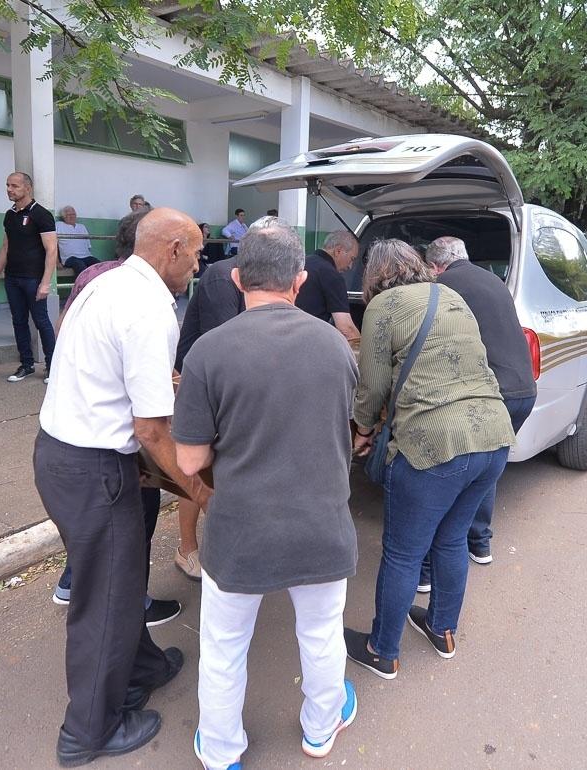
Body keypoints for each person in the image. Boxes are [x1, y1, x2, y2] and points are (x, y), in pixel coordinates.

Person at [173, 222, 360, 769]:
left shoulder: (209, 352)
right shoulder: (335, 345)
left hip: (240, 530)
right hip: (322, 524)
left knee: (225, 646)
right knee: (322, 634)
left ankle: (222, 750)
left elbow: (188, 460)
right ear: (299, 281)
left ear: (236, 279)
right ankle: (320, 730)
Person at [35, 207, 210, 765]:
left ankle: (143, 668)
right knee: (105, 598)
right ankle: (88, 731)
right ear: (174, 249)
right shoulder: (149, 309)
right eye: (199, 253)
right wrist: (198, 490)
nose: (200, 264)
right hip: (96, 467)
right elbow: (152, 429)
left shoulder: (105, 283)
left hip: (64, 454)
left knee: (122, 575)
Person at [343, 239, 513, 680]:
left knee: (402, 553)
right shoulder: (453, 295)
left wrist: (361, 431)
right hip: (493, 436)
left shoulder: (384, 305)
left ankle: (383, 650)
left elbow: (372, 387)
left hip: (434, 445)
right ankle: (442, 629)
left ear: (374, 274)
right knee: (453, 538)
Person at [170, 216, 283, 580]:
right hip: (202, 382)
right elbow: (227, 343)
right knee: (198, 470)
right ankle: (187, 549)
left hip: (234, 381)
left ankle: (242, 540)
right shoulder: (223, 275)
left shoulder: (262, 278)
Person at [423, 236, 536, 565]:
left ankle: (437, 558)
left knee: (456, 471)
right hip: (524, 391)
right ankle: (480, 543)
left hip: (493, 393)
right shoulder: (493, 279)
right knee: (486, 468)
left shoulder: (443, 285)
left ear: (435, 266)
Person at [0, 172, 58, 383]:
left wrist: (45, 283)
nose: (9, 189)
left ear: (27, 188)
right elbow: (6, 247)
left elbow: (51, 250)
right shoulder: (9, 215)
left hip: (34, 279)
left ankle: (52, 366)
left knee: (41, 321)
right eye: (7, 185)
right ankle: (26, 364)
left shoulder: (41, 215)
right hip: (13, 278)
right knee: (18, 322)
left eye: (14, 186)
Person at [295, 231, 361, 344]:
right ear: (338, 251)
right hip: (309, 343)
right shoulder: (332, 275)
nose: (350, 266)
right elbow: (346, 330)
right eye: (352, 259)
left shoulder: (300, 264)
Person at [56, 206, 95, 277]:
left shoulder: (82, 227)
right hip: (70, 258)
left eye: (73, 214)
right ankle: (83, 287)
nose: (72, 216)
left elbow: (88, 246)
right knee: (80, 266)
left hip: (86, 256)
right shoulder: (59, 225)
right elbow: (53, 245)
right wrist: (57, 262)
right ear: (63, 217)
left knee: (98, 265)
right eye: (68, 215)